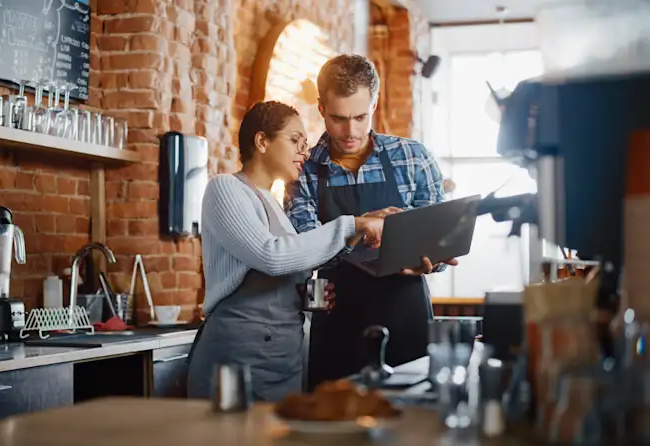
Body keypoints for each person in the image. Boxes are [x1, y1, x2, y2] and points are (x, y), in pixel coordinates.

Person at [186, 101, 386, 403]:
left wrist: (304, 295)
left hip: (282, 360)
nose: (303, 152)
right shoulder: (224, 189)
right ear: (262, 141)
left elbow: (281, 266)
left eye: (305, 144)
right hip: (237, 356)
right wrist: (351, 224)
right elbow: (272, 256)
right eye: (295, 141)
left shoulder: (273, 204)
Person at [284, 54, 459, 391]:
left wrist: (431, 260)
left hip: (406, 314)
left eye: (361, 116)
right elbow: (303, 251)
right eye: (338, 118)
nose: (350, 131)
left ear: (374, 103)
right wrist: (361, 225)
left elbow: (439, 241)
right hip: (339, 321)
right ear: (321, 108)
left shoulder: (413, 157)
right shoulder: (301, 171)